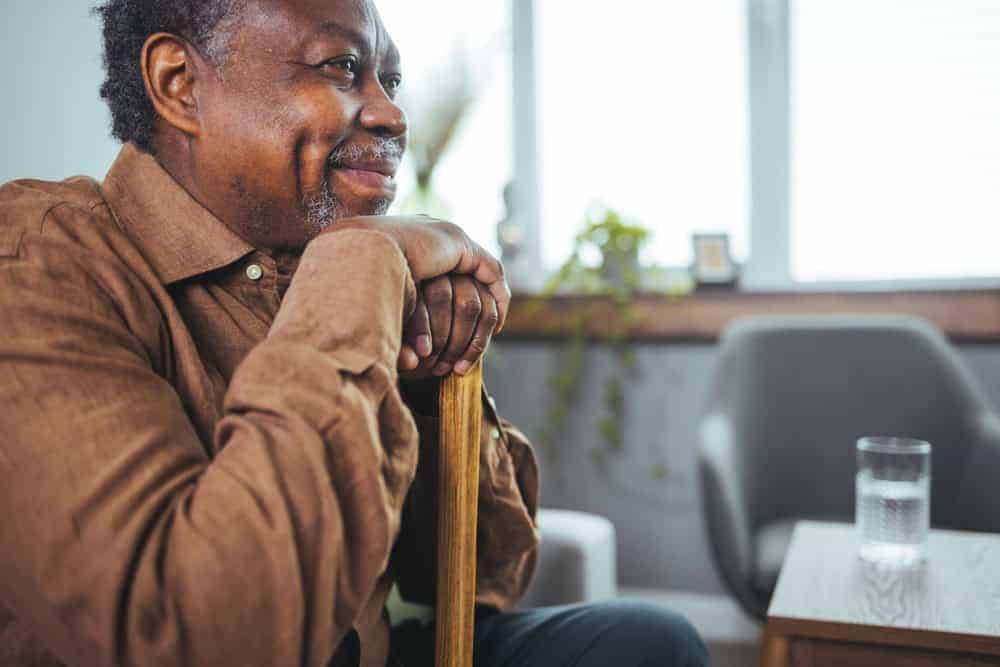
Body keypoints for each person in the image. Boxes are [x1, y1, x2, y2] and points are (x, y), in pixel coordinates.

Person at [0, 0, 708, 665]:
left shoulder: (313, 255)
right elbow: (189, 630)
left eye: (388, 77)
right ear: (180, 83)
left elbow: (482, 577)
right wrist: (362, 260)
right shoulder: (37, 262)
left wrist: (428, 381)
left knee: (649, 641)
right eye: (340, 67)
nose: (393, 113)